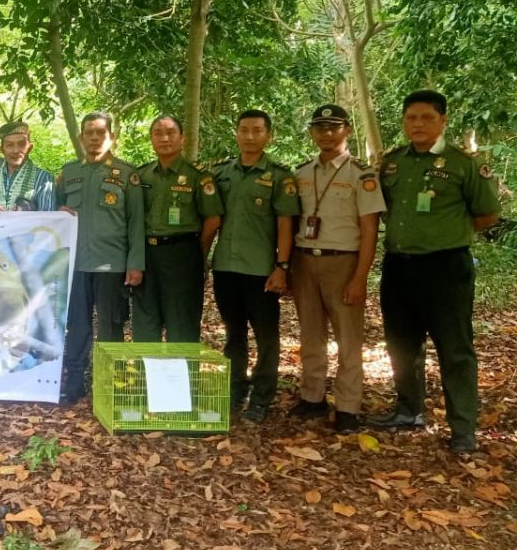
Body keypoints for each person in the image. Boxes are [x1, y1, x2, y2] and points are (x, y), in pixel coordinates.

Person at [369, 90, 499, 454]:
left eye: (426, 117)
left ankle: (462, 428)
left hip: (445, 268)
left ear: (443, 120)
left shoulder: (462, 164)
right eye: (411, 118)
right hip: (399, 266)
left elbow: (487, 214)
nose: (418, 124)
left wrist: (447, 232)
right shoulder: (393, 163)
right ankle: (409, 411)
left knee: (454, 348)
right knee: (402, 344)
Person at [289, 104, 385, 434]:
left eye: (333, 127)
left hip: (343, 261)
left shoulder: (361, 174)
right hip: (305, 261)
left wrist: (360, 276)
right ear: (312, 133)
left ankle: (348, 406)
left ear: (346, 130)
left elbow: (370, 229)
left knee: (348, 338)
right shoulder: (301, 173)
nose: (326, 134)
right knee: (310, 333)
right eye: (319, 128)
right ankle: (312, 397)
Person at [210, 109, 300, 423]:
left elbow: (286, 224)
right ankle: (236, 389)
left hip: (261, 269)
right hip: (225, 267)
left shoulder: (279, 176)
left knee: (266, 336)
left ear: (268, 136)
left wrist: (282, 266)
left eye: (257, 130)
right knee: (234, 333)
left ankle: (262, 397)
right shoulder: (221, 173)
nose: (250, 136)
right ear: (236, 133)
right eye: (244, 130)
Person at [55, 111, 145, 404]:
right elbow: (55, 212)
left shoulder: (126, 175)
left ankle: (110, 384)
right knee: (77, 324)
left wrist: (135, 263)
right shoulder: (68, 173)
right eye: (89, 134)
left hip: (112, 262)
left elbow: (136, 222)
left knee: (111, 324)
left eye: (100, 133)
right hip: (76, 264)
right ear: (81, 138)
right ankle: (75, 381)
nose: (94, 139)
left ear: (112, 137)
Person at [133, 116, 223, 343]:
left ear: (182, 139)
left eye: (171, 132)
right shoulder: (141, 175)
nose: (164, 138)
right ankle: (146, 378)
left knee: (181, 324)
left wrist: (196, 251)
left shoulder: (198, 176)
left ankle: (182, 378)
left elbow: (213, 219)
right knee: (145, 323)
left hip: (182, 255)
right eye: (158, 133)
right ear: (151, 139)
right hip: (146, 255)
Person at [0, 121, 55, 211]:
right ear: (2, 149)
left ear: (30, 148)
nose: (16, 150)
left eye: (21, 144)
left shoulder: (44, 178)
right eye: (9, 145)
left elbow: (47, 219)